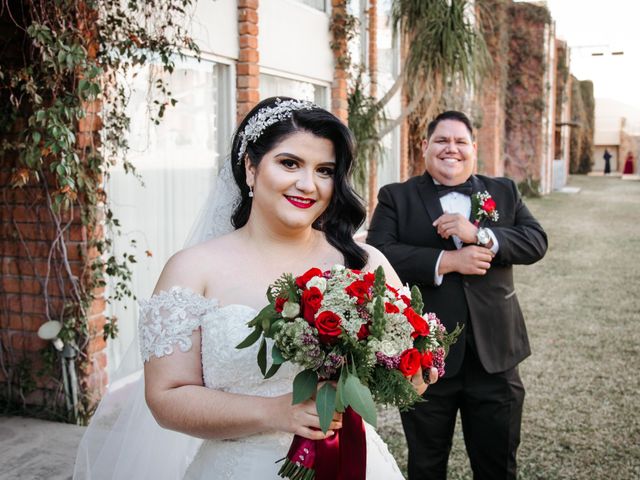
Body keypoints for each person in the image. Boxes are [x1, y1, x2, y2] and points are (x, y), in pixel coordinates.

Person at [74, 97, 438, 479]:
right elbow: (165, 397)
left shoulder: (366, 264)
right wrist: (276, 412)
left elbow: (411, 378)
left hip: (350, 462)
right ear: (250, 167)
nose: (307, 184)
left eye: (325, 170)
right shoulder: (193, 269)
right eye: (289, 163)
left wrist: (413, 374)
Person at [367, 110, 547, 480]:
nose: (452, 148)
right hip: (424, 359)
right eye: (442, 140)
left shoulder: (504, 191)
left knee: (498, 467)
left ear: (474, 148)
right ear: (425, 146)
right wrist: (447, 260)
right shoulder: (395, 197)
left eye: (460, 141)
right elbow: (378, 255)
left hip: (496, 359)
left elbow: (536, 242)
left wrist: (480, 234)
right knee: (426, 465)